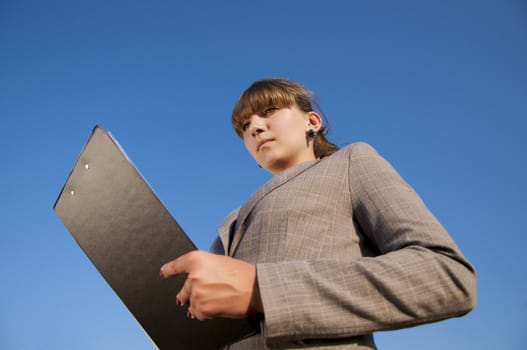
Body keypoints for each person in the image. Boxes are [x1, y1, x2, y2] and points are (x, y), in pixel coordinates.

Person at [160, 78, 477, 349]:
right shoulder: (231, 220)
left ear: (312, 122)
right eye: (245, 126)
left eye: (268, 111)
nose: (255, 127)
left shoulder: (351, 162)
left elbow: (446, 275)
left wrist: (264, 289)